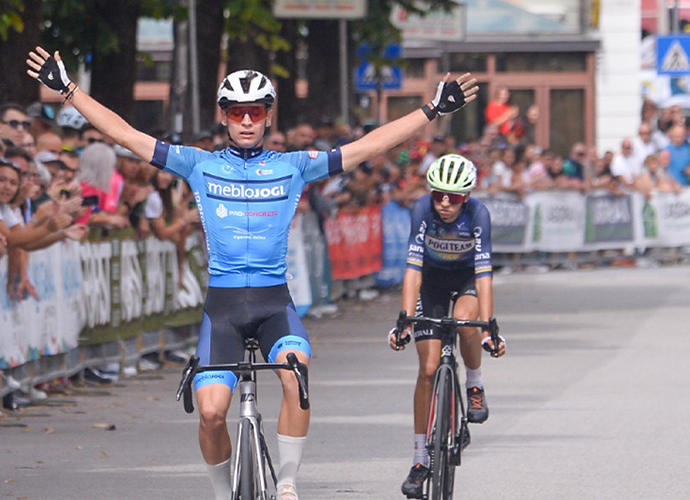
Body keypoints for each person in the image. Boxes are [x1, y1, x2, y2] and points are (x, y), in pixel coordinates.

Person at [28, 46, 477, 500]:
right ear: (223, 116)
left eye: (256, 112)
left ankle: (286, 482)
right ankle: (224, 494)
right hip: (221, 309)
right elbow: (125, 134)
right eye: (238, 112)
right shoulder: (197, 164)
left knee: (295, 375)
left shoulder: (293, 166)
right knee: (209, 413)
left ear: (268, 117)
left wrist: (431, 109)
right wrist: (68, 91)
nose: (246, 121)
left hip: (273, 305)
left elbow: (367, 146)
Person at [387, 154, 506, 499]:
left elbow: (484, 275)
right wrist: (404, 320)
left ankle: (474, 384)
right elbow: (413, 269)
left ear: (466, 196)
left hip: (467, 278)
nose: (444, 203)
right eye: (438, 194)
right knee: (427, 369)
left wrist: (490, 328)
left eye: (453, 197)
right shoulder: (422, 210)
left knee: (467, 324)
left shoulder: (479, 214)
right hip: (433, 282)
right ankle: (420, 457)